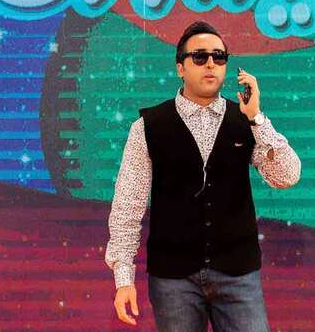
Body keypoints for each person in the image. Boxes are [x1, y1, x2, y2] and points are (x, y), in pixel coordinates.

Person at [105, 20, 302, 331]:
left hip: (238, 273)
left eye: (219, 57)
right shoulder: (148, 127)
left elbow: (287, 176)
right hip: (173, 278)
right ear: (180, 68)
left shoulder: (247, 121)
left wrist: (257, 119)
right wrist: (123, 278)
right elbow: (128, 206)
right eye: (199, 56)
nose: (210, 63)